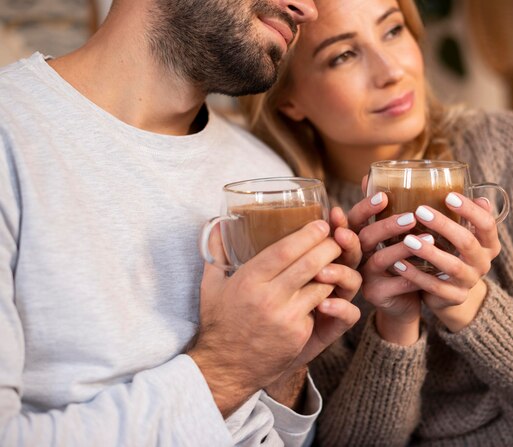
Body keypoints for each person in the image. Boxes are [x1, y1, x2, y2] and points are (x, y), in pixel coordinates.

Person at [239, 0, 513, 445]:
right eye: (343, 55)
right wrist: (396, 323)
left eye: (393, 30)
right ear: (289, 100)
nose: (391, 70)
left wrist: (465, 301)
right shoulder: (300, 221)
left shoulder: (506, 145)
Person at [0, 0, 365, 445]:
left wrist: (283, 368)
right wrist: (229, 368)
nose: (306, 8)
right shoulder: (11, 136)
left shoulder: (264, 176)